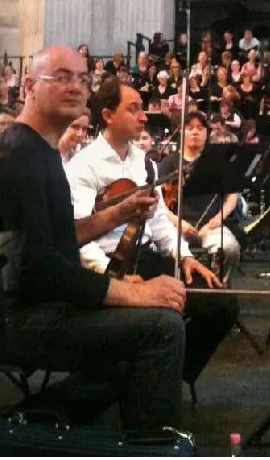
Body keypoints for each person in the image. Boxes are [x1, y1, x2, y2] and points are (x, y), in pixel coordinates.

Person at [0, 45, 190, 432]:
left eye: (83, 78)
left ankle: (45, 420)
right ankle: (151, 448)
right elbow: (39, 268)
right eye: (61, 76)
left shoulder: (40, 150)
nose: (76, 86)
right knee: (161, 327)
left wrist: (117, 214)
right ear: (28, 87)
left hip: (44, 303)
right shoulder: (21, 158)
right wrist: (133, 292)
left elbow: (57, 235)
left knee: (155, 321)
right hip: (27, 318)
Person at [69, 82, 235, 388]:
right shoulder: (83, 166)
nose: (143, 116)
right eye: (133, 109)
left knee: (222, 305)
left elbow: (159, 222)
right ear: (107, 115)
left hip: (144, 256)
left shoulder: (145, 163)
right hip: (106, 262)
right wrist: (109, 275)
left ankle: (165, 374)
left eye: (142, 108)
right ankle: (131, 376)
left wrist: (183, 255)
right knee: (165, 314)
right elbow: (78, 235)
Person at [174, 111, 245, 261]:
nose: (195, 132)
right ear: (181, 131)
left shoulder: (218, 163)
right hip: (178, 227)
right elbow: (159, 203)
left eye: (200, 128)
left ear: (207, 132)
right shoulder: (169, 162)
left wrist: (219, 218)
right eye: (189, 127)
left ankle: (219, 283)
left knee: (230, 249)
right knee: (160, 249)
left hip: (211, 226)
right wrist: (178, 223)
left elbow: (232, 197)